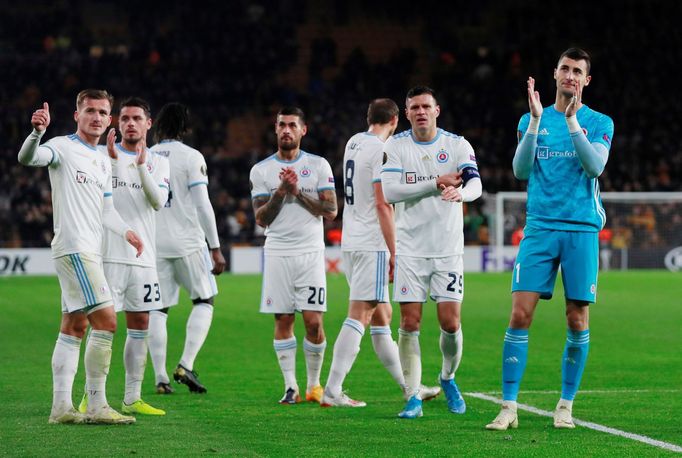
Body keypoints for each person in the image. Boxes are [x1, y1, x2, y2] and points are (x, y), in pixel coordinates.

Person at [486, 48, 614, 431]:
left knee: (576, 318)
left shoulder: (599, 121)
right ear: (554, 74)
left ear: (586, 80)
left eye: (578, 71)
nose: (571, 76)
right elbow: (521, 170)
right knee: (519, 314)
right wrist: (537, 122)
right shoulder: (532, 118)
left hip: (580, 228)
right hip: (540, 228)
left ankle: (565, 405)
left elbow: (595, 166)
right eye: (565, 69)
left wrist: (573, 124)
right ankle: (509, 406)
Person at [18, 89, 144, 424]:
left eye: (103, 112)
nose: (98, 118)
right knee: (107, 321)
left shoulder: (103, 158)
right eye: (90, 111)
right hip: (75, 247)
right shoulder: (61, 146)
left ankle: (61, 408)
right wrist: (37, 133)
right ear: (77, 115)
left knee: (74, 326)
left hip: (90, 248)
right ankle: (98, 404)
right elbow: (28, 159)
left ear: (109, 118)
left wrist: (126, 231)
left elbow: (106, 210)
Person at [321, 98, 440, 407]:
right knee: (361, 313)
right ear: (396, 121)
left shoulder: (354, 142)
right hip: (371, 242)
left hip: (352, 238)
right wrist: (394, 251)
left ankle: (409, 387)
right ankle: (332, 390)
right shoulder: (381, 151)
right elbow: (382, 203)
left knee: (382, 316)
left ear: (368, 117)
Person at [381, 86, 482, 419]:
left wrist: (462, 195)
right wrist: (435, 183)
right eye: (414, 108)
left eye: (426, 106)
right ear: (406, 114)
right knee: (410, 322)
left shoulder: (457, 145)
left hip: (447, 250)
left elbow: (475, 184)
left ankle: (448, 378)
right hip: (410, 249)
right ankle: (413, 396)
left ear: (437, 110)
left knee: (450, 323)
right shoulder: (395, 147)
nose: (421, 112)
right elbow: (391, 191)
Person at [79, 97, 169, 416]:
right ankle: (92, 396)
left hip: (144, 258)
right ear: (118, 123)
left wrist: (141, 165)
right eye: (125, 118)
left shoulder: (159, 162)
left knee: (140, 323)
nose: (130, 123)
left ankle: (132, 397)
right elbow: (100, 202)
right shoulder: (102, 155)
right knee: (103, 325)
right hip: (108, 256)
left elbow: (157, 201)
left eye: (136, 118)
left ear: (148, 124)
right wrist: (116, 163)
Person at [249, 106, 337, 404]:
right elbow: (261, 218)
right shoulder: (261, 170)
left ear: (303, 130)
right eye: (281, 125)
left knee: (313, 321)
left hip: (310, 253)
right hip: (277, 253)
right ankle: (291, 386)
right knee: (283, 318)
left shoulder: (318, 165)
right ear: (275, 130)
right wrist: (280, 192)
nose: (286, 130)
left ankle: (314, 385)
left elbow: (331, 211)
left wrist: (297, 192)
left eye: (292, 125)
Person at [147, 103, 226, 394]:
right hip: (189, 242)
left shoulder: (147, 156)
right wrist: (215, 247)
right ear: (185, 127)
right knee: (204, 300)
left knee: (158, 308)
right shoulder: (191, 157)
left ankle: (159, 378)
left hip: (155, 244)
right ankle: (186, 364)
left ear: (156, 126)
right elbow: (203, 204)